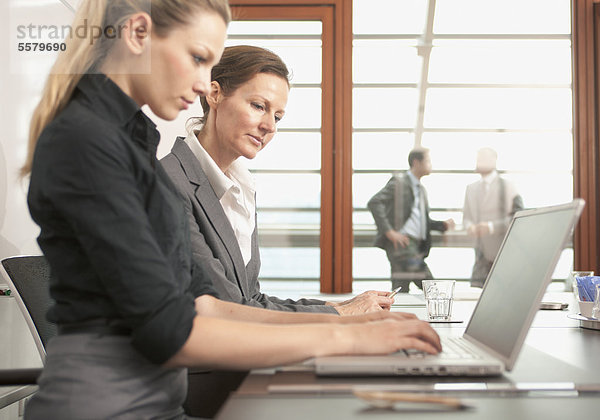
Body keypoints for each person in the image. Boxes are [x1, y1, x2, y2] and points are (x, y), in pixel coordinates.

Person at [22, 1, 441, 418]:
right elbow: (170, 330)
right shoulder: (87, 142)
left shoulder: (133, 142)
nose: (205, 84)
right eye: (198, 58)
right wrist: (345, 338)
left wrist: (348, 324)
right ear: (136, 35)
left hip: (155, 404)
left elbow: (204, 304)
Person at [161, 45, 392, 316]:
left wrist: (336, 306)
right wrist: (339, 315)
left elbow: (250, 297)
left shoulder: (242, 188)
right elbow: (228, 308)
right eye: (259, 106)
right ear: (214, 94)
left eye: (278, 117)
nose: (270, 126)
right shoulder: (170, 181)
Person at [367, 148, 455, 294]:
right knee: (431, 287)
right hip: (403, 245)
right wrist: (390, 232)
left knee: (400, 290)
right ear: (416, 162)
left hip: (414, 246)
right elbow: (374, 202)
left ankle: (396, 316)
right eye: (428, 161)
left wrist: (442, 225)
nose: (431, 164)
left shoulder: (421, 190)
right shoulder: (399, 183)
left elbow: (420, 221)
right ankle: (440, 312)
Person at [463, 147, 524, 287]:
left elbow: (518, 218)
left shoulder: (508, 186)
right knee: (476, 295)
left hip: (503, 254)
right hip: (480, 255)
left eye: (483, 158)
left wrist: (490, 227)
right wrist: (470, 227)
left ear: (494, 160)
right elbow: (466, 217)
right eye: (478, 159)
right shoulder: (471, 189)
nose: (479, 162)